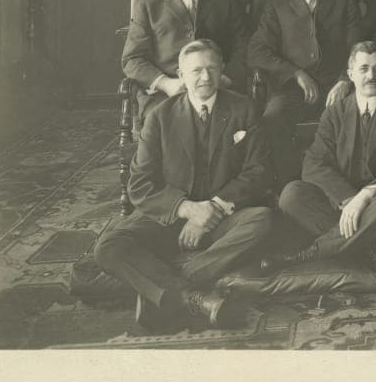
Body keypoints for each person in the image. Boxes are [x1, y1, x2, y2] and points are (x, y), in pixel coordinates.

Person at [94, 39, 274, 330]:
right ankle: (192, 296)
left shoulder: (243, 109)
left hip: (223, 218)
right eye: (196, 71)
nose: (205, 77)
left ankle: (156, 288)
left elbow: (259, 171)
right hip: (167, 219)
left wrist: (212, 209)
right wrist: (187, 209)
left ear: (222, 70)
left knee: (263, 221)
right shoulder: (159, 117)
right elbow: (139, 185)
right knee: (109, 246)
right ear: (181, 74)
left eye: (212, 68)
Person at [259, 42, 376, 272]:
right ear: (350, 75)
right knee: (292, 195)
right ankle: (367, 249)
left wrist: (365, 196)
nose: (371, 75)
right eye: (363, 69)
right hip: (342, 205)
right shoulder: (334, 113)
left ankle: (308, 255)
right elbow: (314, 163)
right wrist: (348, 199)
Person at [247, 0, 361, 188]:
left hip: (336, 85)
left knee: (357, 118)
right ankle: (291, 185)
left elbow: (357, 49)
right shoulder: (278, 3)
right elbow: (256, 51)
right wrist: (295, 73)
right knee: (273, 118)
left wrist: (344, 80)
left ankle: (341, 187)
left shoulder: (344, 1)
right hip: (291, 89)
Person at [121, 0, 248, 125]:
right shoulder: (148, 8)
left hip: (219, 88)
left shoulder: (227, 2)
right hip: (166, 94)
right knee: (166, 125)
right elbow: (132, 59)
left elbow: (244, 48)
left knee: (237, 120)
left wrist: (224, 79)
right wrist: (166, 83)